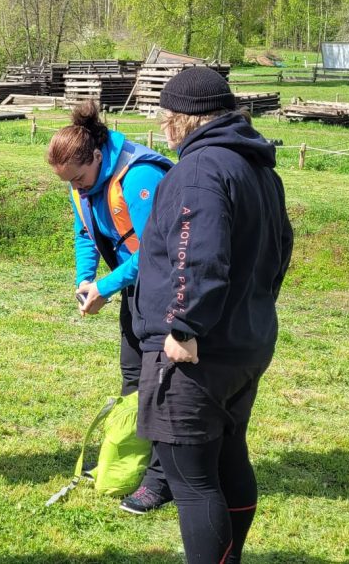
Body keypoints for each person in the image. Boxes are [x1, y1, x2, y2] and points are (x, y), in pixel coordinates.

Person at [132, 67, 293, 563]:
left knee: (191, 480)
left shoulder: (199, 171)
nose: (162, 127)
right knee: (227, 459)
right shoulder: (257, 168)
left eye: (164, 117)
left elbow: (198, 255)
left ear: (184, 118)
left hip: (198, 351)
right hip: (245, 340)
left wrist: (185, 326)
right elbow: (281, 251)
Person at [45, 100, 175, 515]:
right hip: (134, 288)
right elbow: (85, 231)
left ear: (98, 156)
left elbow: (156, 250)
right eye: (69, 183)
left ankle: (162, 480)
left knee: (162, 386)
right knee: (133, 378)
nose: (77, 188)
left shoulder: (140, 176)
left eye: (79, 179)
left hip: (169, 292)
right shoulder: (81, 181)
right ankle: (129, 460)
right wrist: (86, 280)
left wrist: (105, 286)